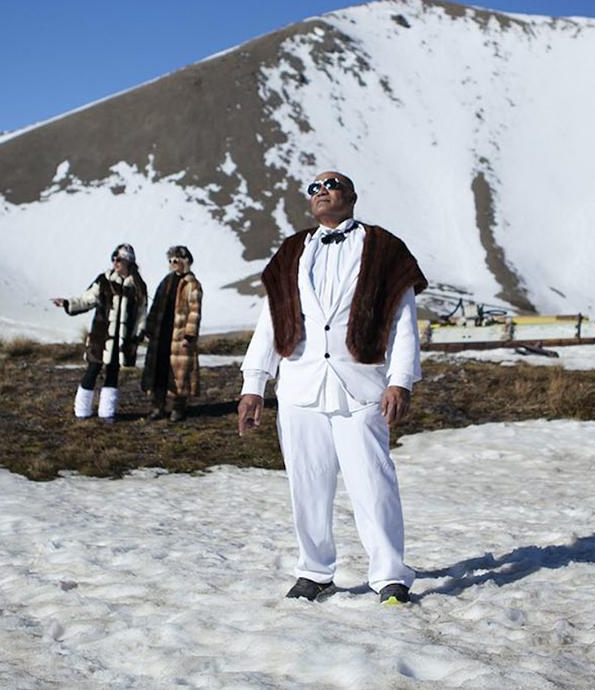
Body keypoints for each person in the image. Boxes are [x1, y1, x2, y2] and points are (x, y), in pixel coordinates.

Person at [237, 170, 426, 606]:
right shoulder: (291, 251)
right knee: (307, 483)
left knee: (373, 483)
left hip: (362, 386)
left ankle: (389, 576)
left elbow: (403, 320)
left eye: (332, 184)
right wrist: (253, 384)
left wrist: (400, 380)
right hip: (300, 386)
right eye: (315, 187)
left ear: (353, 195)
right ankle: (314, 571)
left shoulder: (384, 248)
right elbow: (271, 321)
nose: (322, 191)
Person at [52, 243, 148, 421]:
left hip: (122, 340)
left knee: (113, 372)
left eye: (118, 259)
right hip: (100, 336)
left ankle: (107, 413)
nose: (115, 262)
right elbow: (86, 299)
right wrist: (67, 303)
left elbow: (142, 312)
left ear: (128, 261)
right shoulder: (104, 281)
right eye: (113, 258)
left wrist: (139, 333)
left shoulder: (138, 286)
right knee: (93, 370)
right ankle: (81, 411)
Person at [141, 245, 203, 422]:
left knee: (180, 375)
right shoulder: (166, 281)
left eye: (176, 260)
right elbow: (155, 307)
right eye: (170, 261)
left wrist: (189, 334)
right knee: (159, 370)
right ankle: (157, 406)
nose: (173, 264)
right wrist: (150, 327)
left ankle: (178, 408)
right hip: (162, 333)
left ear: (185, 261)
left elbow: (195, 312)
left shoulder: (192, 284)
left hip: (179, 336)